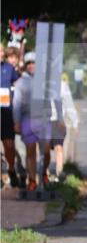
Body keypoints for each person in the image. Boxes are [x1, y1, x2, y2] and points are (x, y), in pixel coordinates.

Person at [12, 52, 48, 190]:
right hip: (27, 119)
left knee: (44, 151)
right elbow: (16, 103)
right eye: (29, 64)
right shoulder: (21, 82)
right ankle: (32, 180)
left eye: (34, 63)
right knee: (30, 151)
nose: (32, 66)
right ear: (26, 66)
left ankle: (43, 175)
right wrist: (16, 121)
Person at [2, 47, 22, 187]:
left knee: (9, 145)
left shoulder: (9, 68)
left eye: (2, 52)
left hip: (7, 112)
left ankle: (11, 169)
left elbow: (19, 84)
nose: (1, 54)